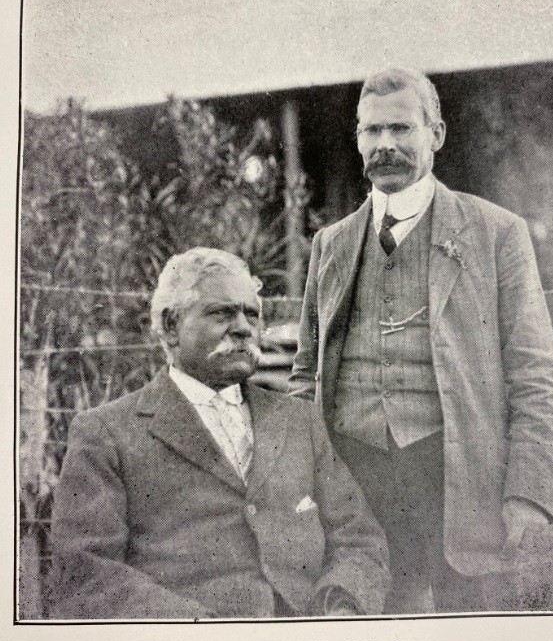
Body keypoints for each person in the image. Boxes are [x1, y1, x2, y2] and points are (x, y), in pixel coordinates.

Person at [289, 67, 553, 614]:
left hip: (457, 479)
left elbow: (536, 376)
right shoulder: (332, 244)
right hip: (356, 482)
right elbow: (305, 374)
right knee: (374, 639)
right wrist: (297, 479)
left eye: (401, 129)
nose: (384, 145)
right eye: (371, 132)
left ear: (435, 134)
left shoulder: (496, 233)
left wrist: (528, 494)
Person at [51, 247, 389, 620]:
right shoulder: (107, 433)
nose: (244, 328)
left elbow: (359, 539)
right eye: (221, 313)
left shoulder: (300, 420)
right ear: (170, 326)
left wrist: (340, 609)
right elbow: (87, 573)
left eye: (252, 314)